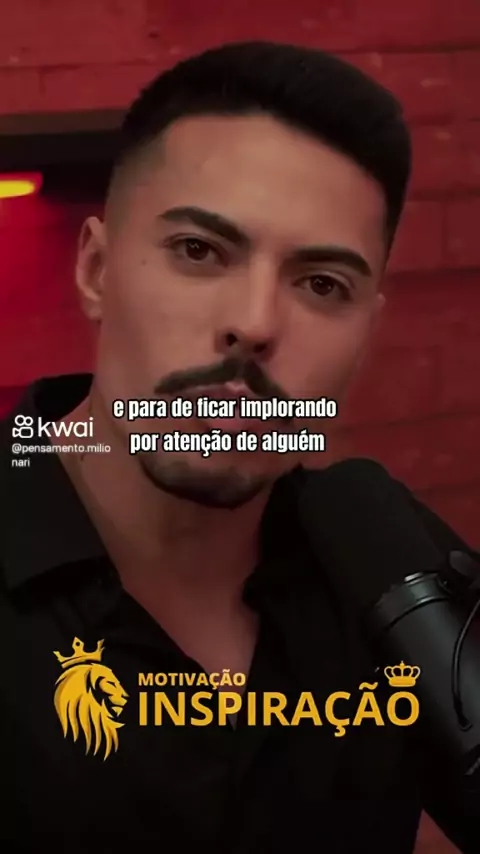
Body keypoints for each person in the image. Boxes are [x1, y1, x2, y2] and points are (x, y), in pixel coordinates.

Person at [0, 41, 477, 853]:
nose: (254, 323)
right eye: (198, 250)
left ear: (366, 332)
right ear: (96, 269)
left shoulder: (384, 562)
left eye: (322, 284)